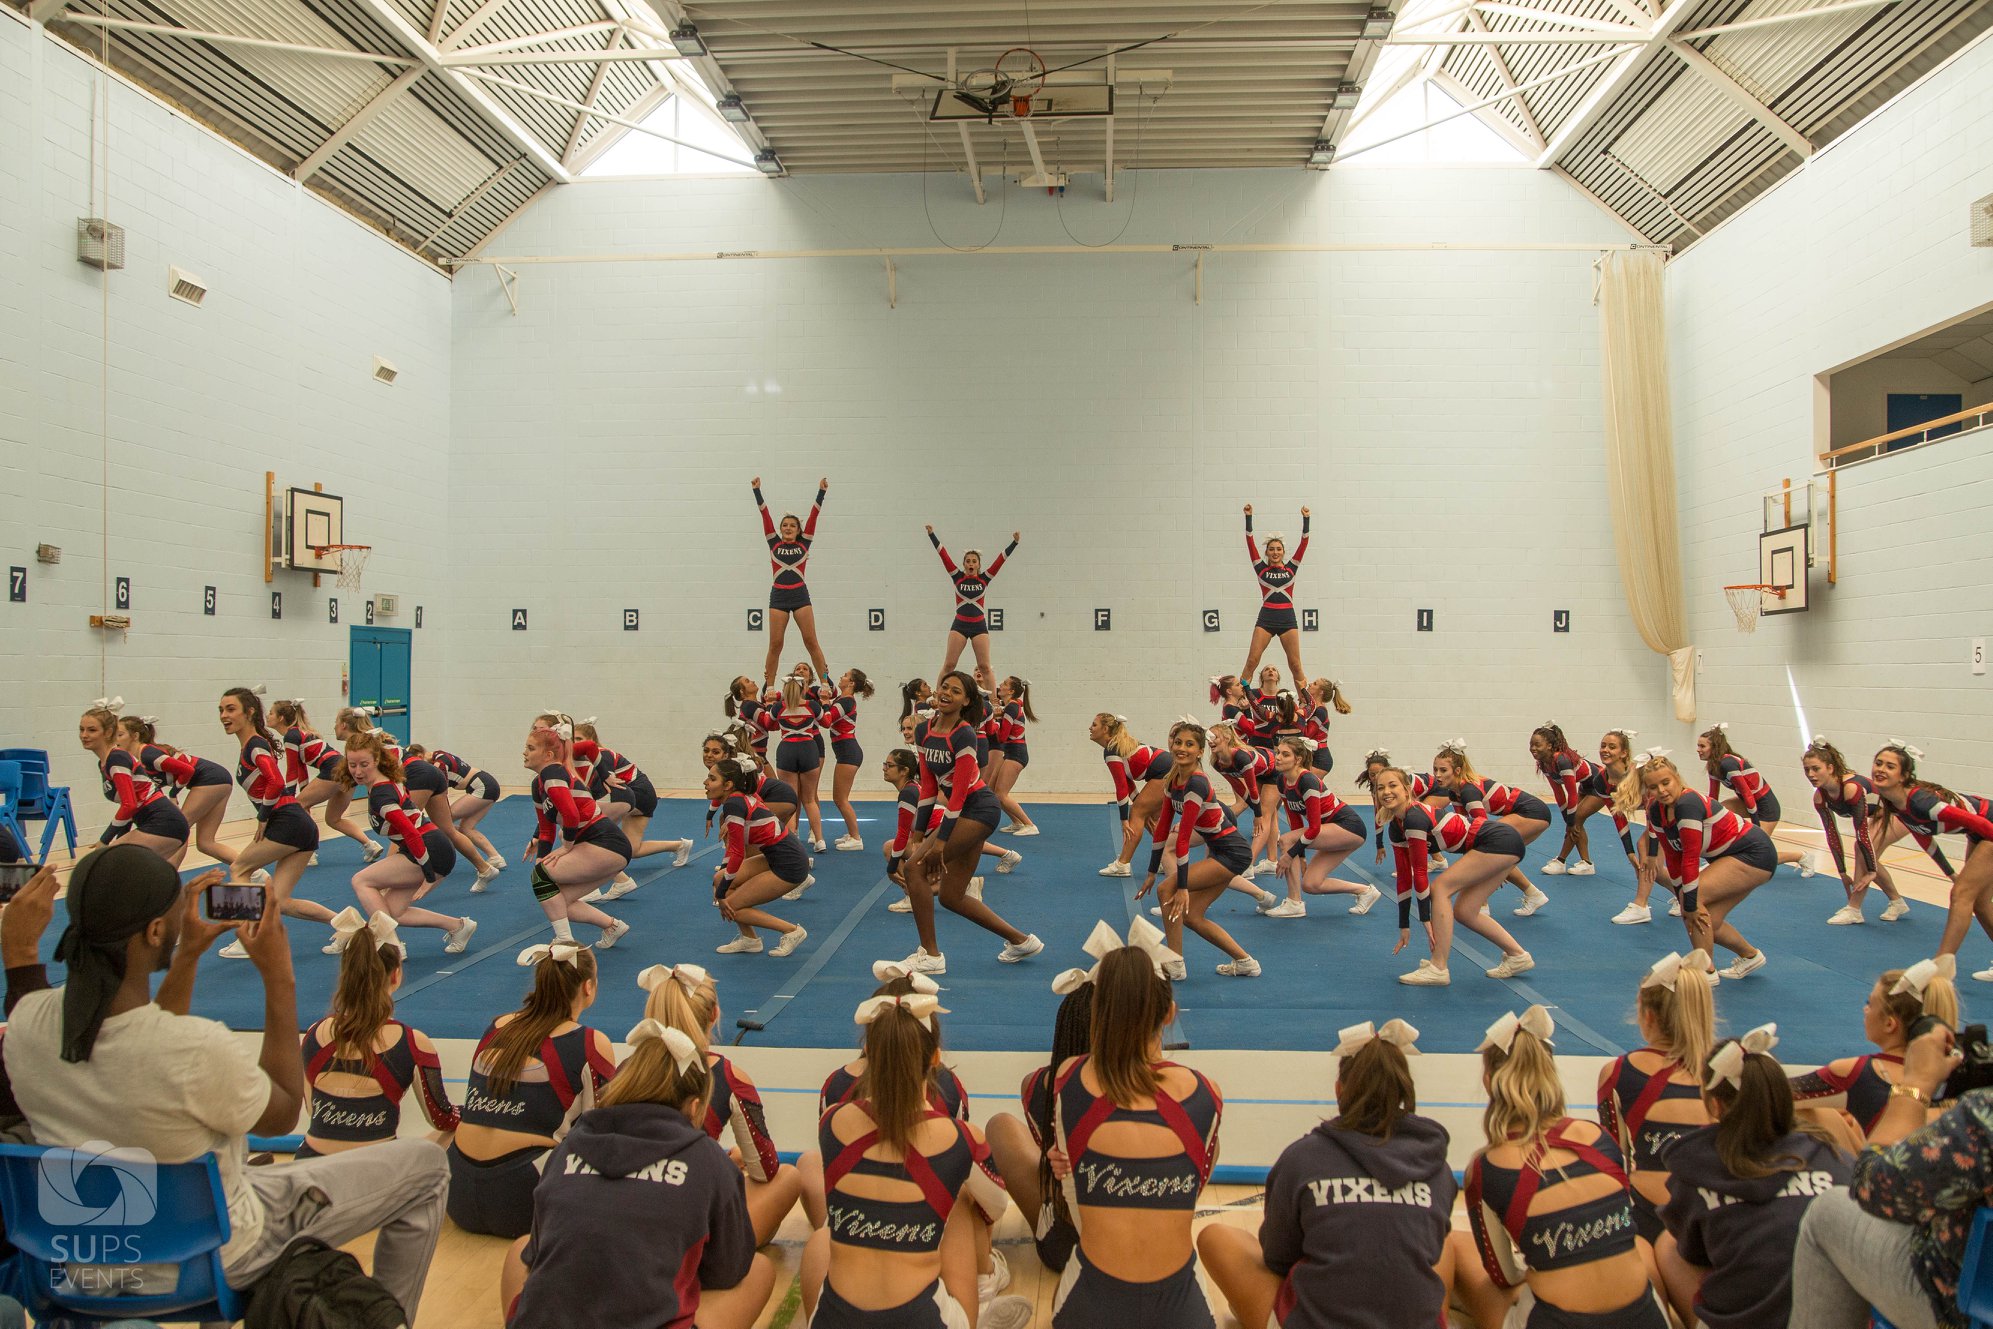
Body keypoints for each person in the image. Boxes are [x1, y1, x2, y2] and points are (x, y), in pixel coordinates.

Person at [0, 846, 450, 1320]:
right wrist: (278, 976)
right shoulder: (194, 1047)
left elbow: (141, 1044)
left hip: (81, 1265)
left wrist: (187, 956)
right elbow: (278, 1117)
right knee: (425, 1166)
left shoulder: (27, 1025)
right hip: (207, 1258)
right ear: (156, 931)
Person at [501, 1018, 776, 1329]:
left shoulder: (570, 1145)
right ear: (695, 1106)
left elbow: (540, 1251)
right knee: (759, 1269)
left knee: (519, 1252)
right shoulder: (710, 1159)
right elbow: (727, 1270)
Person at [1200, 1018, 1456, 1329]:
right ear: (1404, 1090)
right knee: (1443, 1252)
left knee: (1217, 1238)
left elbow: (1278, 1257)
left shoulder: (1303, 1158)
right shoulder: (1436, 1167)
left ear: (1339, 1090)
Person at [801, 990, 1032, 1329]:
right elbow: (995, 1207)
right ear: (935, 1057)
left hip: (834, 1319)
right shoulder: (960, 1137)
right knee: (962, 1199)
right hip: (921, 1318)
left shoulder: (832, 1120)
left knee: (825, 1236)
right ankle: (982, 1300)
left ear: (867, 1054)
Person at [1453, 1006, 1668, 1328]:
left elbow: (1502, 1275)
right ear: (1550, 1073)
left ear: (1489, 1081)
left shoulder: (1488, 1167)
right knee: (1639, 1247)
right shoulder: (1596, 1137)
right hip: (1646, 1318)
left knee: (1458, 1249)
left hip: (1556, 1319)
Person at [1046, 940, 1223, 1327]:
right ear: (1169, 1014)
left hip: (1090, 1301)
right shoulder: (1205, 1092)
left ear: (1096, 1012)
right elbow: (1194, 1184)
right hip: (1180, 1305)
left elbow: (1076, 1201)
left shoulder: (1068, 1079)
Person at [1789, 1021, 1992, 1329]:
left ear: (1890, 1023)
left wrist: (1915, 1086)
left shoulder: (1983, 1115)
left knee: (1828, 1212)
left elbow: (1872, 1187)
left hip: (1960, 1309)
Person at [1654, 1025, 1851, 1329]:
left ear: (1715, 1105)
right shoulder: (1828, 1149)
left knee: (1667, 1245)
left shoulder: (1696, 1170)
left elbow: (1692, 1250)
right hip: (1832, 1318)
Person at [448, 942, 618, 1239]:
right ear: (588, 987)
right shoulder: (591, 1042)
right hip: (524, 1197)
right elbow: (600, 1132)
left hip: (457, 1192)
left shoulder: (498, 1025)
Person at [637, 962, 810, 1241]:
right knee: (787, 1177)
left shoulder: (627, 1072)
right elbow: (765, 1170)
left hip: (621, 1204)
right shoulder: (727, 1076)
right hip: (682, 1210)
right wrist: (732, 1160)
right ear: (714, 1014)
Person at [899, 672, 1042, 973]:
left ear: (966, 701)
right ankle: (1021, 941)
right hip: (962, 811)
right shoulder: (924, 730)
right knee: (951, 896)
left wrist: (938, 843)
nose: (946, 692)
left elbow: (960, 794)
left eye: (955, 690)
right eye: (944, 687)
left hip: (978, 809)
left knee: (915, 869)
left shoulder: (964, 734)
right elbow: (927, 787)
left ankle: (931, 955)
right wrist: (918, 834)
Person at [300, 909, 458, 1156]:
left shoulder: (314, 1033)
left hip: (311, 1167)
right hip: (375, 1172)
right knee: (463, 1125)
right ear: (396, 975)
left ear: (346, 975)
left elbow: (314, 1111)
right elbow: (443, 1119)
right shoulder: (413, 1043)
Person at [1616, 749, 1775, 979]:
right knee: (1709, 919)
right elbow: (1673, 856)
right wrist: (1683, 897)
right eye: (1653, 787)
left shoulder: (1688, 803)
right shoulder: (1657, 811)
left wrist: (1688, 903)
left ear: (1677, 778)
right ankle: (1750, 956)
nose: (1661, 790)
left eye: (1666, 782)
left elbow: (1690, 857)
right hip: (1731, 856)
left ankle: (1705, 972)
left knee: (1694, 903)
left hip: (1754, 853)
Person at [1371, 767, 1532, 988]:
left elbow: (1420, 872)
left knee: (1440, 888)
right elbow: (1404, 879)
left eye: (1392, 785)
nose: (1386, 792)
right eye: (1380, 788)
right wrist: (1404, 924)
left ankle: (1438, 967)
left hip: (1498, 840)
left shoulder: (1415, 817)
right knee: (1466, 911)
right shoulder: (1396, 828)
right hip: (1499, 843)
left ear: (1407, 789)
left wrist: (1425, 918)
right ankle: (1517, 956)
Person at [1597, 951, 1717, 1242]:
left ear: (1647, 1015)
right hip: (1720, 1217)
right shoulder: (1728, 1069)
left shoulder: (1619, 1071)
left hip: (1651, 1219)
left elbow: (1614, 1162)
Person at [985, 972, 1095, 1277]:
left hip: (1064, 1245)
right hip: (1134, 1249)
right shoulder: (1141, 1091)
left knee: (1001, 1127)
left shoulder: (1036, 1084)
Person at [217, 686, 337, 958]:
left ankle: (249, 938)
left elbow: (275, 781)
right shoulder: (254, 743)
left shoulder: (255, 744)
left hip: (287, 820)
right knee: (281, 902)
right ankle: (350, 926)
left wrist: (263, 817)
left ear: (250, 712)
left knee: (239, 868)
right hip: (296, 822)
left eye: (230, 709)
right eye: (221, 710)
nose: (224, 715)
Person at [1137, 721, 1263, 979]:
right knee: (1192, 916)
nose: (1181, 748)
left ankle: (1174, 964)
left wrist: (1182, 887)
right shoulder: (1173, 780)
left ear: (1200, 752)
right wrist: (1151, 871)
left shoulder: (1196, 784)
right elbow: (1162, 829)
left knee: (1167, 889)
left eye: (1189, 744)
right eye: (1178, 742)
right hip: (1221, 850)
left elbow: (1183, 839)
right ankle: (1245, 961)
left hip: (1232, 852)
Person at [1789, 956, 1960, 1138]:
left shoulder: (1857, 1070)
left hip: (1879, 1162)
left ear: (1889, 1024)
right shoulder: (1958, 1072)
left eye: (1869, 1004)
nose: (1865, 1010)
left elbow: (1776, 1093)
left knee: (1806, 1113)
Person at [339, 729, 477, 953]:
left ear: (376, 760)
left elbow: (410, 832)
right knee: (392, 911)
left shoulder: (381, 796)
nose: (358, 771)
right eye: (352, 764)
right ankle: (459, 926)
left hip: (427, 847)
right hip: (427, 846)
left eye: (364, 764)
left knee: (361, 881)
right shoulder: (386, 781)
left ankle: (391, 944)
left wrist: (429, 874)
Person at [1871, 742, 1993, 971]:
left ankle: (1939, 968)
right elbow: (1923, 835)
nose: (1881, 769)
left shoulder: (1921, 802)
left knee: (1961, 895)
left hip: (1988, 827)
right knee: (1979, 902)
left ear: (1903, 776)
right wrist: (1950, 872)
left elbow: (1980, 822)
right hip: (1979, 834)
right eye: (1878, 763)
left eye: (1890, 766)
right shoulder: (1894, 802)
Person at [519, 719, 631, 959]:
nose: (524, 753)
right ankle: (613, 926)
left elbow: (571, 814)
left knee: (542, 879)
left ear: (548, 754)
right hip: (604, 847)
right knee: (558, 902)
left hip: (605, 842)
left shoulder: (553, 772)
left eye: (530, 748)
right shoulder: (538, 783)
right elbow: (546, 829)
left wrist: (566, 847)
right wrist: (542, 857)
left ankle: (564, 940)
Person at [117, 714, 255, 871]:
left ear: (135, 736)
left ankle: (169, 877)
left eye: (120, 735)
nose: (116, 740)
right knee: (205, 843)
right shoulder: (136, 760)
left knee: (180, 826)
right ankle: (255, 872)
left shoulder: (148, 754)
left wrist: (173, 794)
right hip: (218, 779)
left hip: (211, 779)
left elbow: (187, 770)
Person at [1430, 741, 1553, 916]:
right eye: (1435, 769)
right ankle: (1534, 894)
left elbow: (1482, 831)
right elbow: (1466, 830)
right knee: (1499, 858)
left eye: (1443, 770)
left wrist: (1489, 863)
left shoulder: (1468, 791)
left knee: (1492, 852)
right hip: (1529, 812)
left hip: (1533, 812)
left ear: (1457, 771)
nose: (1437, 775)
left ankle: (1481, 906)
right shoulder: (1454, 792)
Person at [706, 759, 809, 957]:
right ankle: (750, 940)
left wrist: (721, 894)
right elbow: (733, 852)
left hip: (789, 863)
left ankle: (792, 931)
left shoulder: (734, 805)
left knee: (731, 906)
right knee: (720, 879)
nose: (705, 782)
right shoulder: (739, 798)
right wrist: (723, 883)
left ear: (728, 785)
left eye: (712, 778)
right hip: (776, 855)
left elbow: (737, 853)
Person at [1267, 736, 1375, 918]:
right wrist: (1300, 856)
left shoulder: (1307, 780)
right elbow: (1295, 822)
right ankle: (1366, 891)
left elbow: (1314, 828)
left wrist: (1290, 854)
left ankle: (1294, 903)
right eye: (1278, 753)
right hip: (1333, 830)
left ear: (1298, 759)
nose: (1278, 757)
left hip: (1349, 827)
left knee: (1286, 840)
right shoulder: (1282, 782)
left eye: (1285, 755)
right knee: (1311, 884)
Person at [1803, 736, 1908, 924]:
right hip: (1880, 817)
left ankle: (1854, 909)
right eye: (1807, 770)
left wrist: (1870, 871)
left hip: (1901, 813)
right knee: (1867, 855)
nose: (1810, 774)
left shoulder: (1851, 788)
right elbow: (1831, 834)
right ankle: (1897, 901)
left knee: (1863, 850)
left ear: (1830, 768)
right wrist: (1842, 873)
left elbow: (1861, 832)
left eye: (1816, 769)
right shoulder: (1820, 797)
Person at [79, 699, 189, 865]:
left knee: (109, 862)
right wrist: (116, 839)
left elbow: (129, 805)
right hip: (155, 822)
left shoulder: (116, 758)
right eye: (81, 729)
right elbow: (130, 808)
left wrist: (105, 840)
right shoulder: (105, 762)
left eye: (92, 730)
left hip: (164, 822)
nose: (84, 735)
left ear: (108, 732)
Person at [753, 475, 830, 689]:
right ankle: (769, 687)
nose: (787, 528)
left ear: (798, 530)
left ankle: (824, 683)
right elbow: (764, 515)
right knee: (776, 644)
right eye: (784, 525)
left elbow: (815, 514)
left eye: (792, 525)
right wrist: (757, 491)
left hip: (799, 595)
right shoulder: (774, 542)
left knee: (810, 641)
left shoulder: (805, 542)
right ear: (780, 529)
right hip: (778, 596)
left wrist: (821, 492)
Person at [927, 525, 1019, 682]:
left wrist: (1014, 543)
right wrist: (932, 535)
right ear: (964, 564)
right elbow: (944, 555)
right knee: (949, 665)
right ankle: (938, 696)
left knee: (985, 667)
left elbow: (1000, 560)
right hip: (959, 626)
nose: (971, 563)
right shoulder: (957, 577)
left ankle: (994, 703)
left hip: (979, 626)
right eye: (968, 561)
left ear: (978, 565)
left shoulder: (985, 578)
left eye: (974, 561)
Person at [1239, 504, 1311, 691]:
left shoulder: (1292, 568)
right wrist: (1249, 518)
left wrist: (1306, 520)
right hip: (1266, 619)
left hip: (1287, 619)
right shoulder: (1260, 568)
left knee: (1295, 666)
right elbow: (1250, 543)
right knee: (1252, 661)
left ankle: (1307, 704)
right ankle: (1240, 700)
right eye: (1271, 549)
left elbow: (1304, 543)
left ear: (1283, 552)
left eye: (1278, 549)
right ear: (1267, 552)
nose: (1275, 552)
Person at [1093, 713, 1173, 878]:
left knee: (1136, 813)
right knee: (1149, 819)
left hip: (1166, 772)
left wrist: (1124, 819)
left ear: (1105, 729)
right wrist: (1139, 805)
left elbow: (1121, 788)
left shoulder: (1112, 750)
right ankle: (1167, 859)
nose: (1090, 728)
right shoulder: (1116, 747)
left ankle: (1122, 864)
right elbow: (1128, 783)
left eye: (1094, 725)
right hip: (1168, 770)